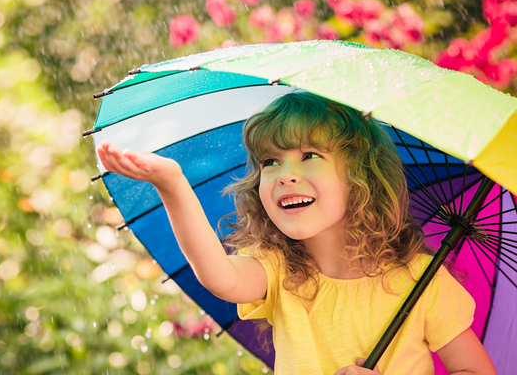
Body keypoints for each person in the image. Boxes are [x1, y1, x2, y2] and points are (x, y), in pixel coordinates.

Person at [96, 92, 497, 375]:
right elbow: (219, 275)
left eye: (310, 156)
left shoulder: (420, 281)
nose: (286, 174)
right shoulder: (280, 270)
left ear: (360, 179)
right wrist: (172, 184)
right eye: (271, 161)